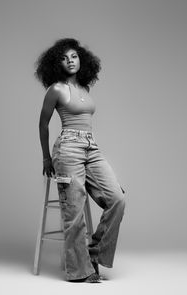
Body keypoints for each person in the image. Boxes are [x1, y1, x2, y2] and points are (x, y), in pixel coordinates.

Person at [35, 38, 126, 283]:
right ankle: (79, 271)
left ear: (81, 59)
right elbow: (43, 124)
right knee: (74, 211)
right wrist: (46, 157)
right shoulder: (56, 89)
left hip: (91, 146)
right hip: (68, 149)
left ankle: (93, 254)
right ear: (57, 63)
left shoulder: (85, 89)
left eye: (74, 56)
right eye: (64, 58)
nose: (70, 61)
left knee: (117, 199)